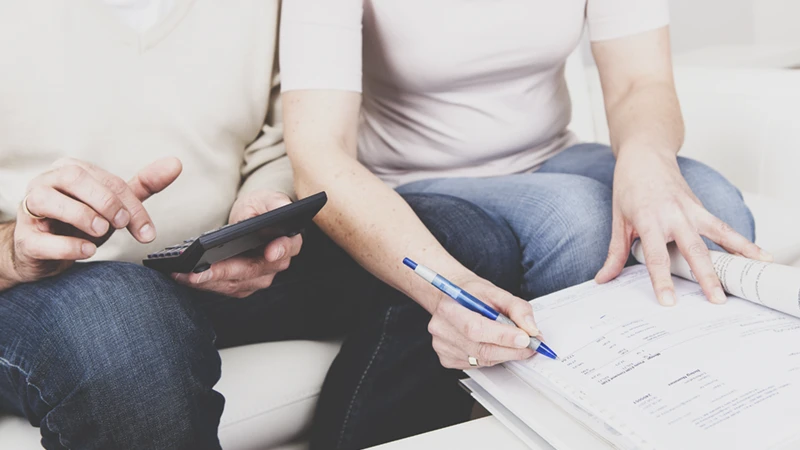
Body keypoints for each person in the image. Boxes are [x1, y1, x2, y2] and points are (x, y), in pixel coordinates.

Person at [0, 1, 526, 449]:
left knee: (462, 243)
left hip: (206, 260)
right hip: (35, 286)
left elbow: (273, 141)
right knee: (121, 319)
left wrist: (259, 210)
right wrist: (14, 252)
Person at [280, 0, 771, 389]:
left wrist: (647, 162)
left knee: (710, 203)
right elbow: (320, 154)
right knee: (578, 221)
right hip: (418, 178)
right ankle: (585, 404)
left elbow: (639, 82)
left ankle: (695, 398)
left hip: (552, 153)